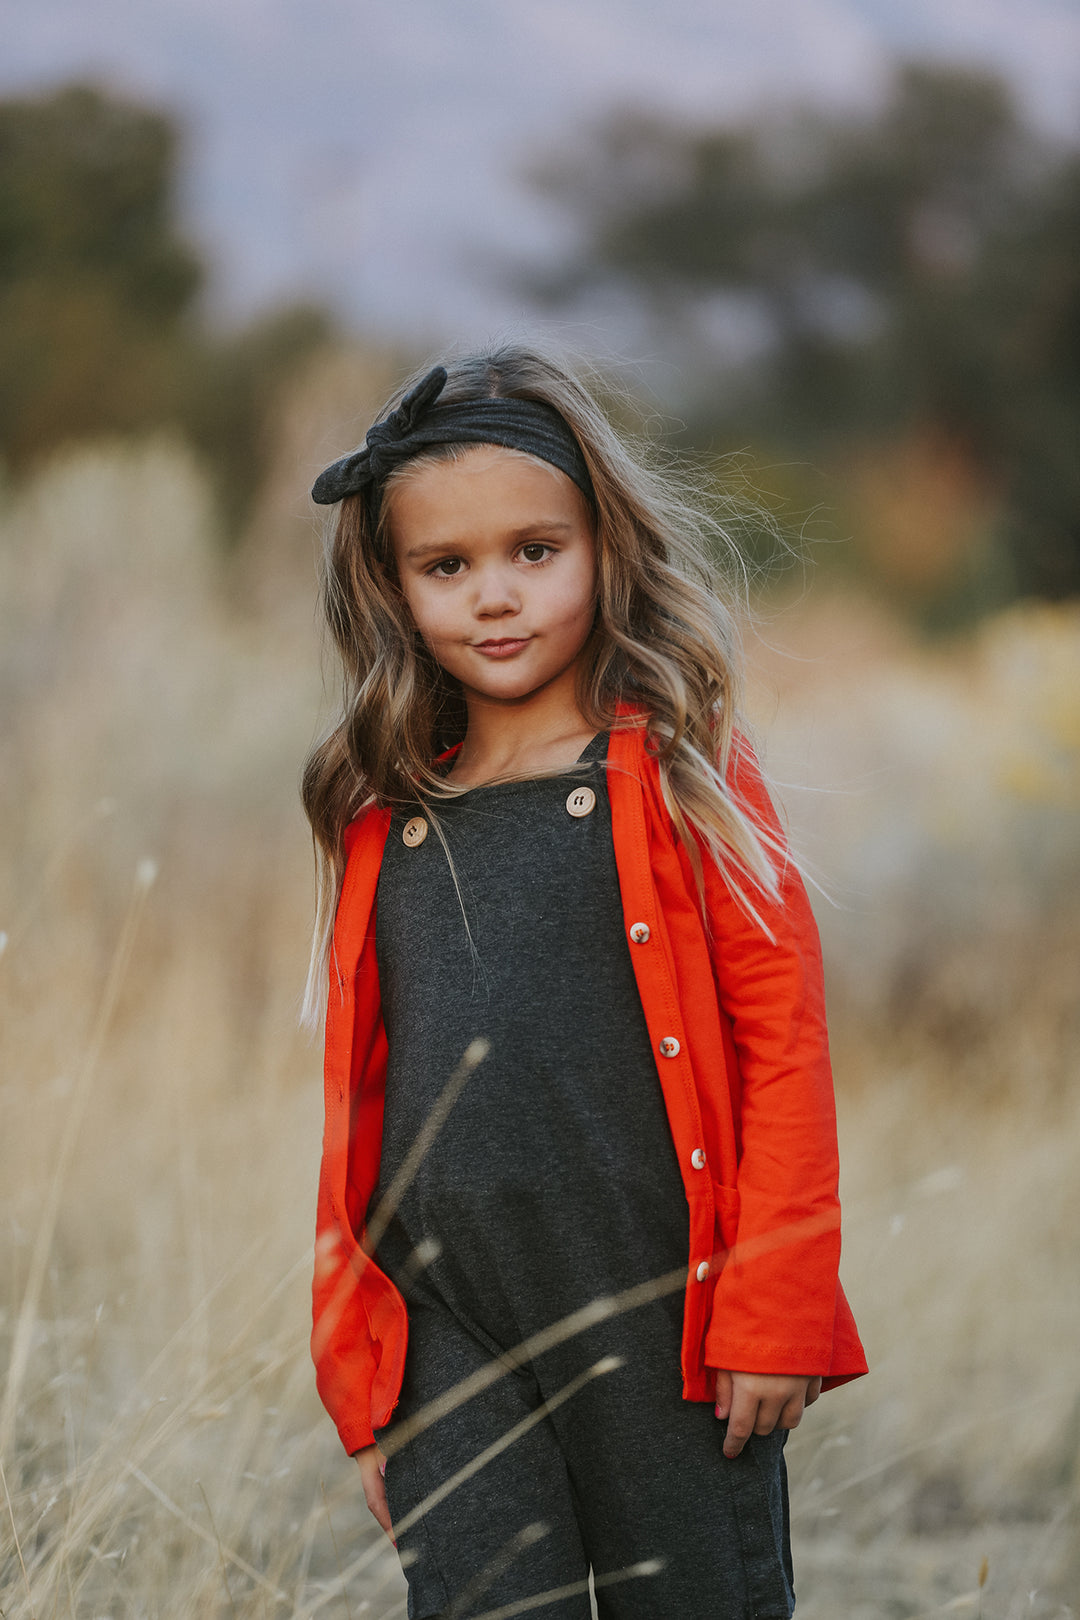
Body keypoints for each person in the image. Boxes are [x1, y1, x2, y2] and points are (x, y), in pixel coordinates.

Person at [302, 346, 867, 1620]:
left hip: (667, 1304)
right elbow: (356, 1117)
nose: (494, 597)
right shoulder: (382, 813)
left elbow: (783, 1043)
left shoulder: (680, 771)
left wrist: (775, 1312)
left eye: (534, 552)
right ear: (392, 588)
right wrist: (364, 1377)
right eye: (446, 567)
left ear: (604, 547)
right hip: (443, 1313)